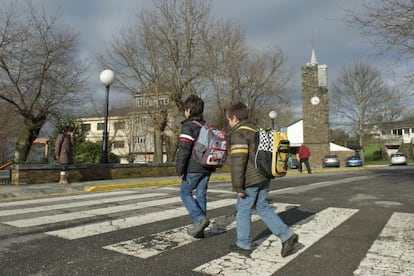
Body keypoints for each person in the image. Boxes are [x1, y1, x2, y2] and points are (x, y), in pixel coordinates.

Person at [225, 102, 298, 257]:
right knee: (263, 207)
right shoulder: (256, 130)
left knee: (243, 210)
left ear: (235, 118)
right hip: (264, 175)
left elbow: (238, 162)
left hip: (250, 179)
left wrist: (238, 187)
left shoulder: (239, 134)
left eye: (229, 119)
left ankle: (243, 244)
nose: (229, 122)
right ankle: (287, 236)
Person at [176, 95, 214, 239]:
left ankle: (199, 219)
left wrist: (180, 168)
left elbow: (184, 148)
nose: (184, 112)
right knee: (201, 195)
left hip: (193, 167)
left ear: (189, 110)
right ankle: (200, 230)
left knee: (185, 193)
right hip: (207, 167)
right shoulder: (205, 126)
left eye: (185, 110)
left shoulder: (188, 126)